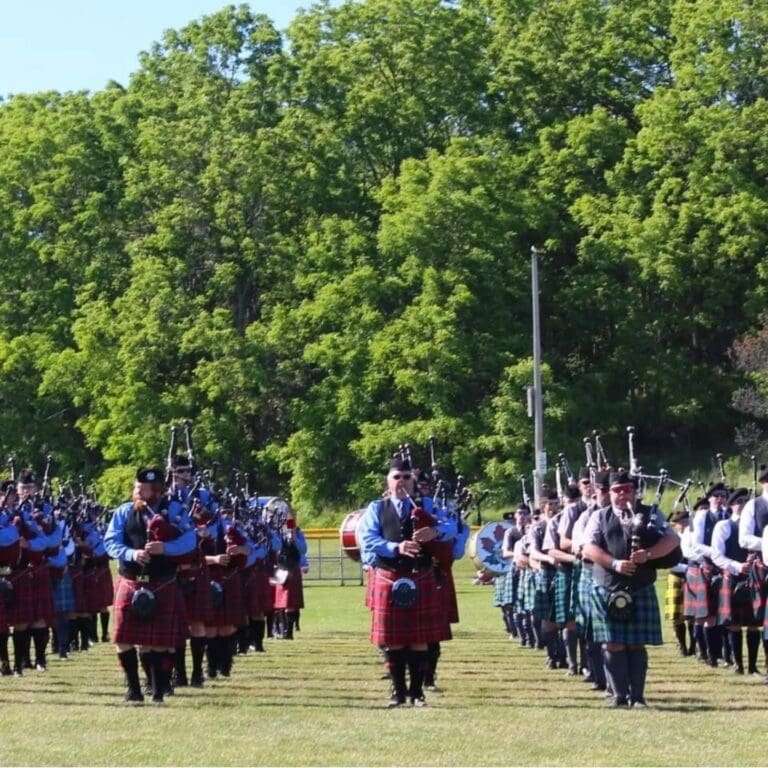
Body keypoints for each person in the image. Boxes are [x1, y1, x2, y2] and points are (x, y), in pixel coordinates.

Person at [582, 470, 680, 709]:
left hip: (641, 585)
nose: (622, 494)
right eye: (617, 490)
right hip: (607, 585)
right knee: (612, 643)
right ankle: (619, 695)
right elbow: (588, 548)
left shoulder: (651, 514)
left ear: (635, 492)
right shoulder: (599, 516)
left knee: (636, 643)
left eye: (627, 489)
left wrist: (648, 554)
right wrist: (614, 563)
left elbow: (672, 540)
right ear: (610, 492)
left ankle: (637, 697)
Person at [358, 456, 450, 708]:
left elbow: (454, 526)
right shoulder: (377, 507)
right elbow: (367, 540)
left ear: (413, 480)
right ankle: (398, 694)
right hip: (389, 575)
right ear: (388, 481)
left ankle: (417, 694)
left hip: (420, 575)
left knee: (420, 639)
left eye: (406, 477)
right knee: (394, 640)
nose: (402, 482)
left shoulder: (429, 505)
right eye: (396, 477)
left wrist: (437, 532)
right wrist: (396, 547)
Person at [104, 467, 196, 705]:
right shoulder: (124, 511)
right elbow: (110, 541)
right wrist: (131, 553)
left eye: (142, 489)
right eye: (136, 487)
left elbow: (189, 540)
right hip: (131, 579)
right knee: (122, 638)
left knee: (156, 643)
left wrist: (166, 548)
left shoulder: (174, 510)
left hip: (162, 581)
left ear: (156, 490)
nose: (137, 492)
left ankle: (157, 689)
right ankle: (134, 689)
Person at [712, 487, 761, 675]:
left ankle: (753, 666)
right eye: (738, 502)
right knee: (733, 624)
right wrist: (737, 566)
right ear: (730, 505)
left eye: (745, 501)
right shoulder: (723, 526)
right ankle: (738, 664)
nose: (742, 505)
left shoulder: (756, 528)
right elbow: (717, 555)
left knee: (754, 624)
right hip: (732, 578)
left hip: (754, 578)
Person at [665, 507, 692, 657]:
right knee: (677, 615)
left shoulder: (692, 535)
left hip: (692, 576)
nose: (683, 524)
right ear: (675, 524)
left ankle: (694, 646)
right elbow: (669, 561)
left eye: (685, 521)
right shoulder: (670, 539)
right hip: (676, 574)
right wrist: (688, 568)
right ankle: (682, 645)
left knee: (693, 614)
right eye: (680, 522)